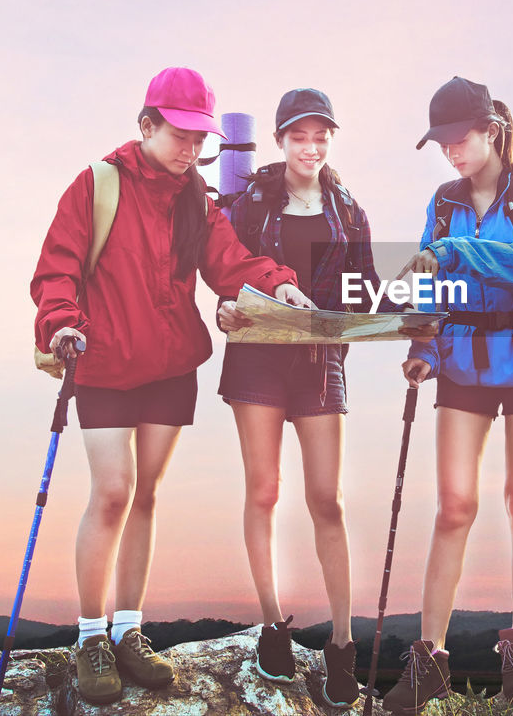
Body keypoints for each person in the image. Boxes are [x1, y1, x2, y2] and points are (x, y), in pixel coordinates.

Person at [30, 67, 308, 706]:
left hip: (171, 368)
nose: (190, 148)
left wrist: (277, 282)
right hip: (100, 363)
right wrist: (62, 323)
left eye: (200, 137)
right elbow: (57, 268)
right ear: (147, 124)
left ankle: (130, 630)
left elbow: (230, 263)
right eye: (179, 133)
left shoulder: (195, 199)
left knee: (146, 494)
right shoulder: (97, 185)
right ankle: (91, 636)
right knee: (112, 491)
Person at [382, 77, 513, 714]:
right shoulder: (443, 202)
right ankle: (429, 659)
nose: (450, 152)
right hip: (463, 359)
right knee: (453, 507)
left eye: (458, 138)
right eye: (440, 143)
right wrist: (421, 351)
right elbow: (433, 293)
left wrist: (450, 251)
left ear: (491, 129)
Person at [215, 88, 398, 707]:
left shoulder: (348, 210)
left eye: (321, 136)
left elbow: (361, 287)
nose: (311, 147)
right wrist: (226, 307)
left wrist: (407, 302)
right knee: (263, 490)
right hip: (257, 361)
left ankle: (342, 648)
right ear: (279, 141)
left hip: (322, 364)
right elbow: (227, 268)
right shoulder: (252, 201)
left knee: (328, 500)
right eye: (299, 136)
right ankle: (273, 627)